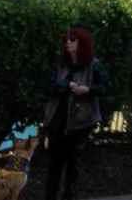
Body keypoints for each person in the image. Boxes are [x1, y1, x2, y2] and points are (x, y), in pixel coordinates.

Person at [41, 30, 103, 200]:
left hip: (80, 123)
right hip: (57, 120)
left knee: (73, 167)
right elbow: (49, 85)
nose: (68, 43)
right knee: (54, 166)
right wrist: (67, 85)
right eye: (66, 40)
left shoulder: (93, 65)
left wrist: (87, 90)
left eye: (72, 40)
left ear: (82, 44)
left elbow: (104, 88)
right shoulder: (60, 63)